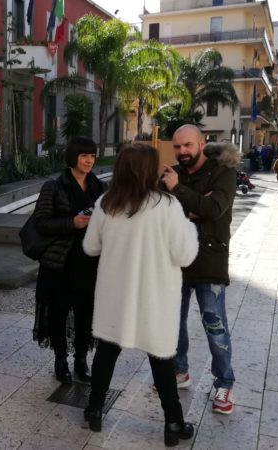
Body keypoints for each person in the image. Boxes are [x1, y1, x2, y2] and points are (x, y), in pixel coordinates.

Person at [82, 143, 198, 445]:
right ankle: (173, 424)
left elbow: (90, 247)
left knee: (106, 353)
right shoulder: (168, 206)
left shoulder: (106, 203)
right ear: (149, 170)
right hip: (155, 299)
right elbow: (184, 255)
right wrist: (191, 229)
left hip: (115, 297)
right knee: (161, 360)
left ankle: (95, 410)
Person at [162, 126, 238, 415]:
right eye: (178, 146)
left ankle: (224, 382)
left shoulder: (223, 172)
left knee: (214, 325)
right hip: (177, 259)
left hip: (209, 260)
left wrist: (179, 192)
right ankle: (179, 371)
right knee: (174, 322)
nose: (182, 151)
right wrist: (193, 205)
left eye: (188, 145)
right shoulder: (172, 174)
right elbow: (167, 211)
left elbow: (214, 208)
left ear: (202, 143)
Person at [31, 136, 105, 384]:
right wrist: (70, 223)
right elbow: (41, 222)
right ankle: (60, 360)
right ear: (73, 157)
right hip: (60, 263)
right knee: (59, 313)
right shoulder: (54, 186)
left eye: (92, 156)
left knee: (86, 313)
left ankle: (81, 360)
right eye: (84, 156)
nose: (89, 161)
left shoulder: (99, 187)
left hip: (90, 262)